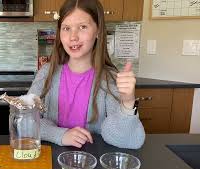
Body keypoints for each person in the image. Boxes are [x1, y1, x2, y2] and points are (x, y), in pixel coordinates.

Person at [28, 0, 145, 149]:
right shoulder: (46, 73)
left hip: (93, 163)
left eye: (82, 27)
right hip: (50, 162)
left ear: (98, 31)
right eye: (66, 28)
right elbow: (27, 120)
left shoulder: (109, 79)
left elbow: (129, 141)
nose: (73, 37)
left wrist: (128, 103)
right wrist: (60, 135)